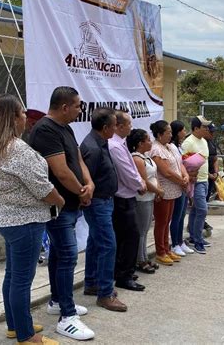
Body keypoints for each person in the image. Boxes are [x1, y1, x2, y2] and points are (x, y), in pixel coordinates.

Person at [0, 94, 64, 345]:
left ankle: (15, 325)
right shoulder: (16, 148)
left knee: (13, 276)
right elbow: (42, 188)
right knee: (21, 280)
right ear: (12, 117)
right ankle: (27, 336)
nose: (26, 116)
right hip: (24, 222)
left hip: (9, 219)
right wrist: (61, 200)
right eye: (22, 112)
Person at [29, 87, 95, 341]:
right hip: (57, 207)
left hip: (72, 203)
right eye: (78, 106)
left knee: (59, 254)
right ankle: (66, 317)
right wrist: (81, 191)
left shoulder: (65, 128)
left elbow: (77, 160)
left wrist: (89, 183)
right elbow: (60, 171)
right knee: (67, 256)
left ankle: (58, 300)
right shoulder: (45, 130)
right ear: (65, 106)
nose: (80, 110)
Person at [80, 109, 127, 312]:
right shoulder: (93, 147)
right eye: (114, 125)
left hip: (105, 201)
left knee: (95, 242)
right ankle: (105, 294)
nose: (117, 129)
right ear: (106, 127)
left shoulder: (101, 142)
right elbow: (85, 178)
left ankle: (92, 282)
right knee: (108, 245)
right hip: (98, 203)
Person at [108, 110, 147, 291]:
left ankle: (122, 271)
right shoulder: (114, 146)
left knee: (125, 238)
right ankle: (124, 275)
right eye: (129, 124)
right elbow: (127, 172)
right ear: (120, 126)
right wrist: (140, 184)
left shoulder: (120, 143)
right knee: (130, 237)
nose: (131, 127)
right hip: (122, 198)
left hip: (126, 196)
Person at [150, 120, 189, 265]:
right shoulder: (156, 149)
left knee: (167, 221)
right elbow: (166, 172)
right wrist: (182, 181)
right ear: (159, 134)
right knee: (161, 222)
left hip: (175, 190)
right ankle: (160, 251)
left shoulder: (170, 146)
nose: (171, 135)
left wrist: (184, 177)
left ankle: (167, 248)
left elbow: (179, 164)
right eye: (168, 132)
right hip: (164, 191)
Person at [128, 128, 165, 272]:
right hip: (142, 198)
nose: (150, 142)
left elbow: (154, 176)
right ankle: (139, 260)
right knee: (141, 230)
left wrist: (158, 189)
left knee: (145, 229)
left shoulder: (146, 157)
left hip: (150, 197)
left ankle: (143, 257)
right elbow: (143, 181)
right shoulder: (137, 159)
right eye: (148, 140)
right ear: (140, 143)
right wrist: (158, 190)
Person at [182, 115, 211, 254]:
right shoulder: (188, 142)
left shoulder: (204, 141)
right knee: (202, 210)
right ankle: (198, 241)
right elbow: (184, 162)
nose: (207, 129)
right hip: (196, 181)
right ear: (195, 128)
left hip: (204, 180)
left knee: (195, 210)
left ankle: (194, 237)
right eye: (204, 126)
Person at [169, 120, 195, 256]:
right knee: (176, 216)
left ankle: (180, 241)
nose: (185, 133)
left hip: (184, 182)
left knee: (182, 214)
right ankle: (174, 243)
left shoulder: (179, 146)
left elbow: (182, 164)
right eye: (183, 130)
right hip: (177, 185)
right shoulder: (171, 147)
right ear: (177, 132)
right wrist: (182, 178)